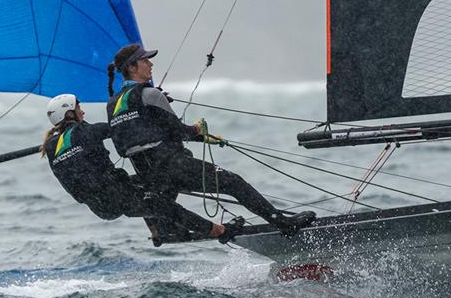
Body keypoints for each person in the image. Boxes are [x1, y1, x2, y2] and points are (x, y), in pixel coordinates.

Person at [105, 43, 315, 235]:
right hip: (171, 165)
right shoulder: (150, 94)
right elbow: (180, 132)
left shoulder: (113, 103)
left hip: (147, 172)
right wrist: (197, 129)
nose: (150, 64)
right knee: (233, 183)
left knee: (161, 199)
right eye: (145, 61)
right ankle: (283, 223)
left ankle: (166, 231)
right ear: (132, 67)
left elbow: (138, 137)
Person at [41, 93, 244, 244]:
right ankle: (220, 231)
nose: (82, 112)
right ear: (68, 113)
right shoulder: (87, 131)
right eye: (78, 108)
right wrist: (146, 109)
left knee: (147, 184)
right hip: (117, 197)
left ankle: (158, 231)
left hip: (98, 206)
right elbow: (121, 128)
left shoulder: (50, 147)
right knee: (166, 206)